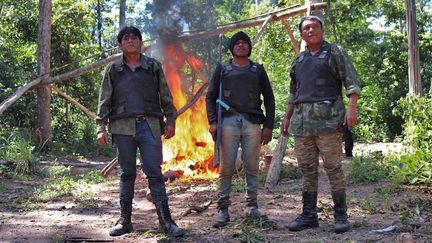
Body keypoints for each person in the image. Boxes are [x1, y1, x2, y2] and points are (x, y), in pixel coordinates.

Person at [96, 26, 184, 237]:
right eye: (125, 38)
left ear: (141, 43)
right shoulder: (113, 70)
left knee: (155, 174)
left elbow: (166, 96)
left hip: (150, 126)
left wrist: (170, 119)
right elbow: (104, 100)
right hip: (122, 128)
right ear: (120, 45)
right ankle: (124, 221)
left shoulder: (153, 67)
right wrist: (100, 127)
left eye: (134, 37)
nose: (130, 40)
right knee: (127, 174)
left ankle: (166, 222)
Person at [280, 16, 361, 233]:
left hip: (328, 122)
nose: (310, 30)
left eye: (314, 27)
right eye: (306, 28)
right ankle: (308, 215)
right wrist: (287, 117)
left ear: (322, 30)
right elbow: (293, 92)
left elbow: (352, 81)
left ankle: (341, 216)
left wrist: (351, 109)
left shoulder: (335, 52)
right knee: (307, 170)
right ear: (302, 34)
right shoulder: (298, 60)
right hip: (302, 124)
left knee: (333, 167)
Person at [206, 31, 275, 227]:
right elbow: (210, 96)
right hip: (227, 122)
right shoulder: (222, 69)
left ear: (249, 47)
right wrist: (212, 121)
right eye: (237, 43)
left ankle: (252, 206)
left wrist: (268, 125)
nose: (241, 45)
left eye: (245, 43)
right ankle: (223, 209)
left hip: (252, 122)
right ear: (232, 47)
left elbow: (269, 98)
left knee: (251, 166)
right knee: (226, 166)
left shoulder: (258, 70)